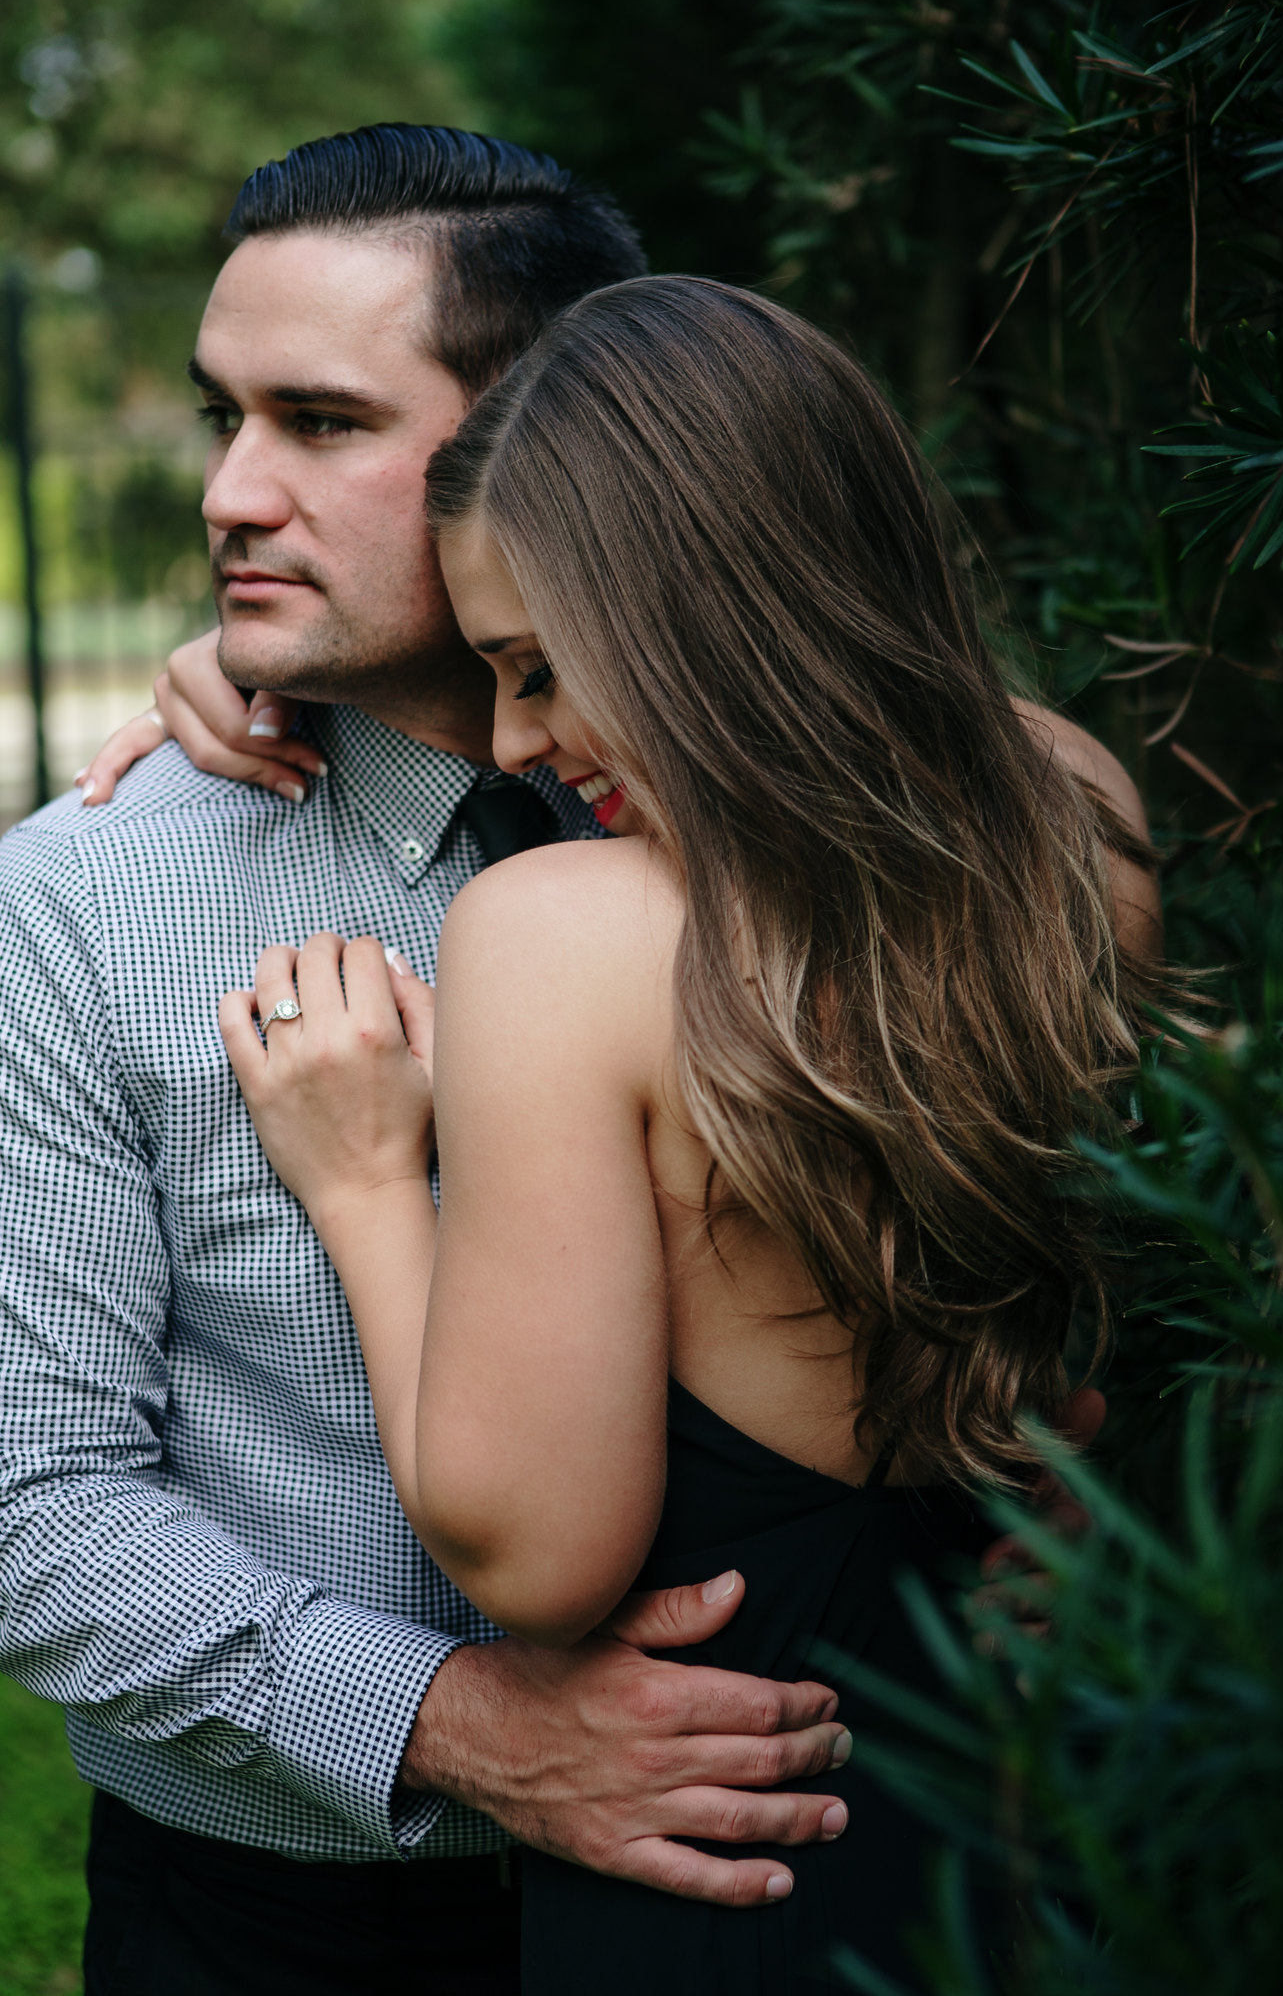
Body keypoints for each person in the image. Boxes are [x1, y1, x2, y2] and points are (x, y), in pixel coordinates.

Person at [209, 276, 1161, 1990]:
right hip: (1061, 1816)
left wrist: (363, 1185)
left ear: (703, 611)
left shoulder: (567, 934)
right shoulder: (1075, 819)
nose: (518, 741)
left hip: (740, 1855)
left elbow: (538, 1551)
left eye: (541, 667)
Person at [0, 129, 865, 1996]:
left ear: (544, 445)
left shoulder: (819, 849)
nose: (228, 491)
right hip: (290, 1924)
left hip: (818, 1856)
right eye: (223, 415)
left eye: (317, 422)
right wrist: (455, 1725)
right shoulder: (76, 898)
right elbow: (29, 1502)